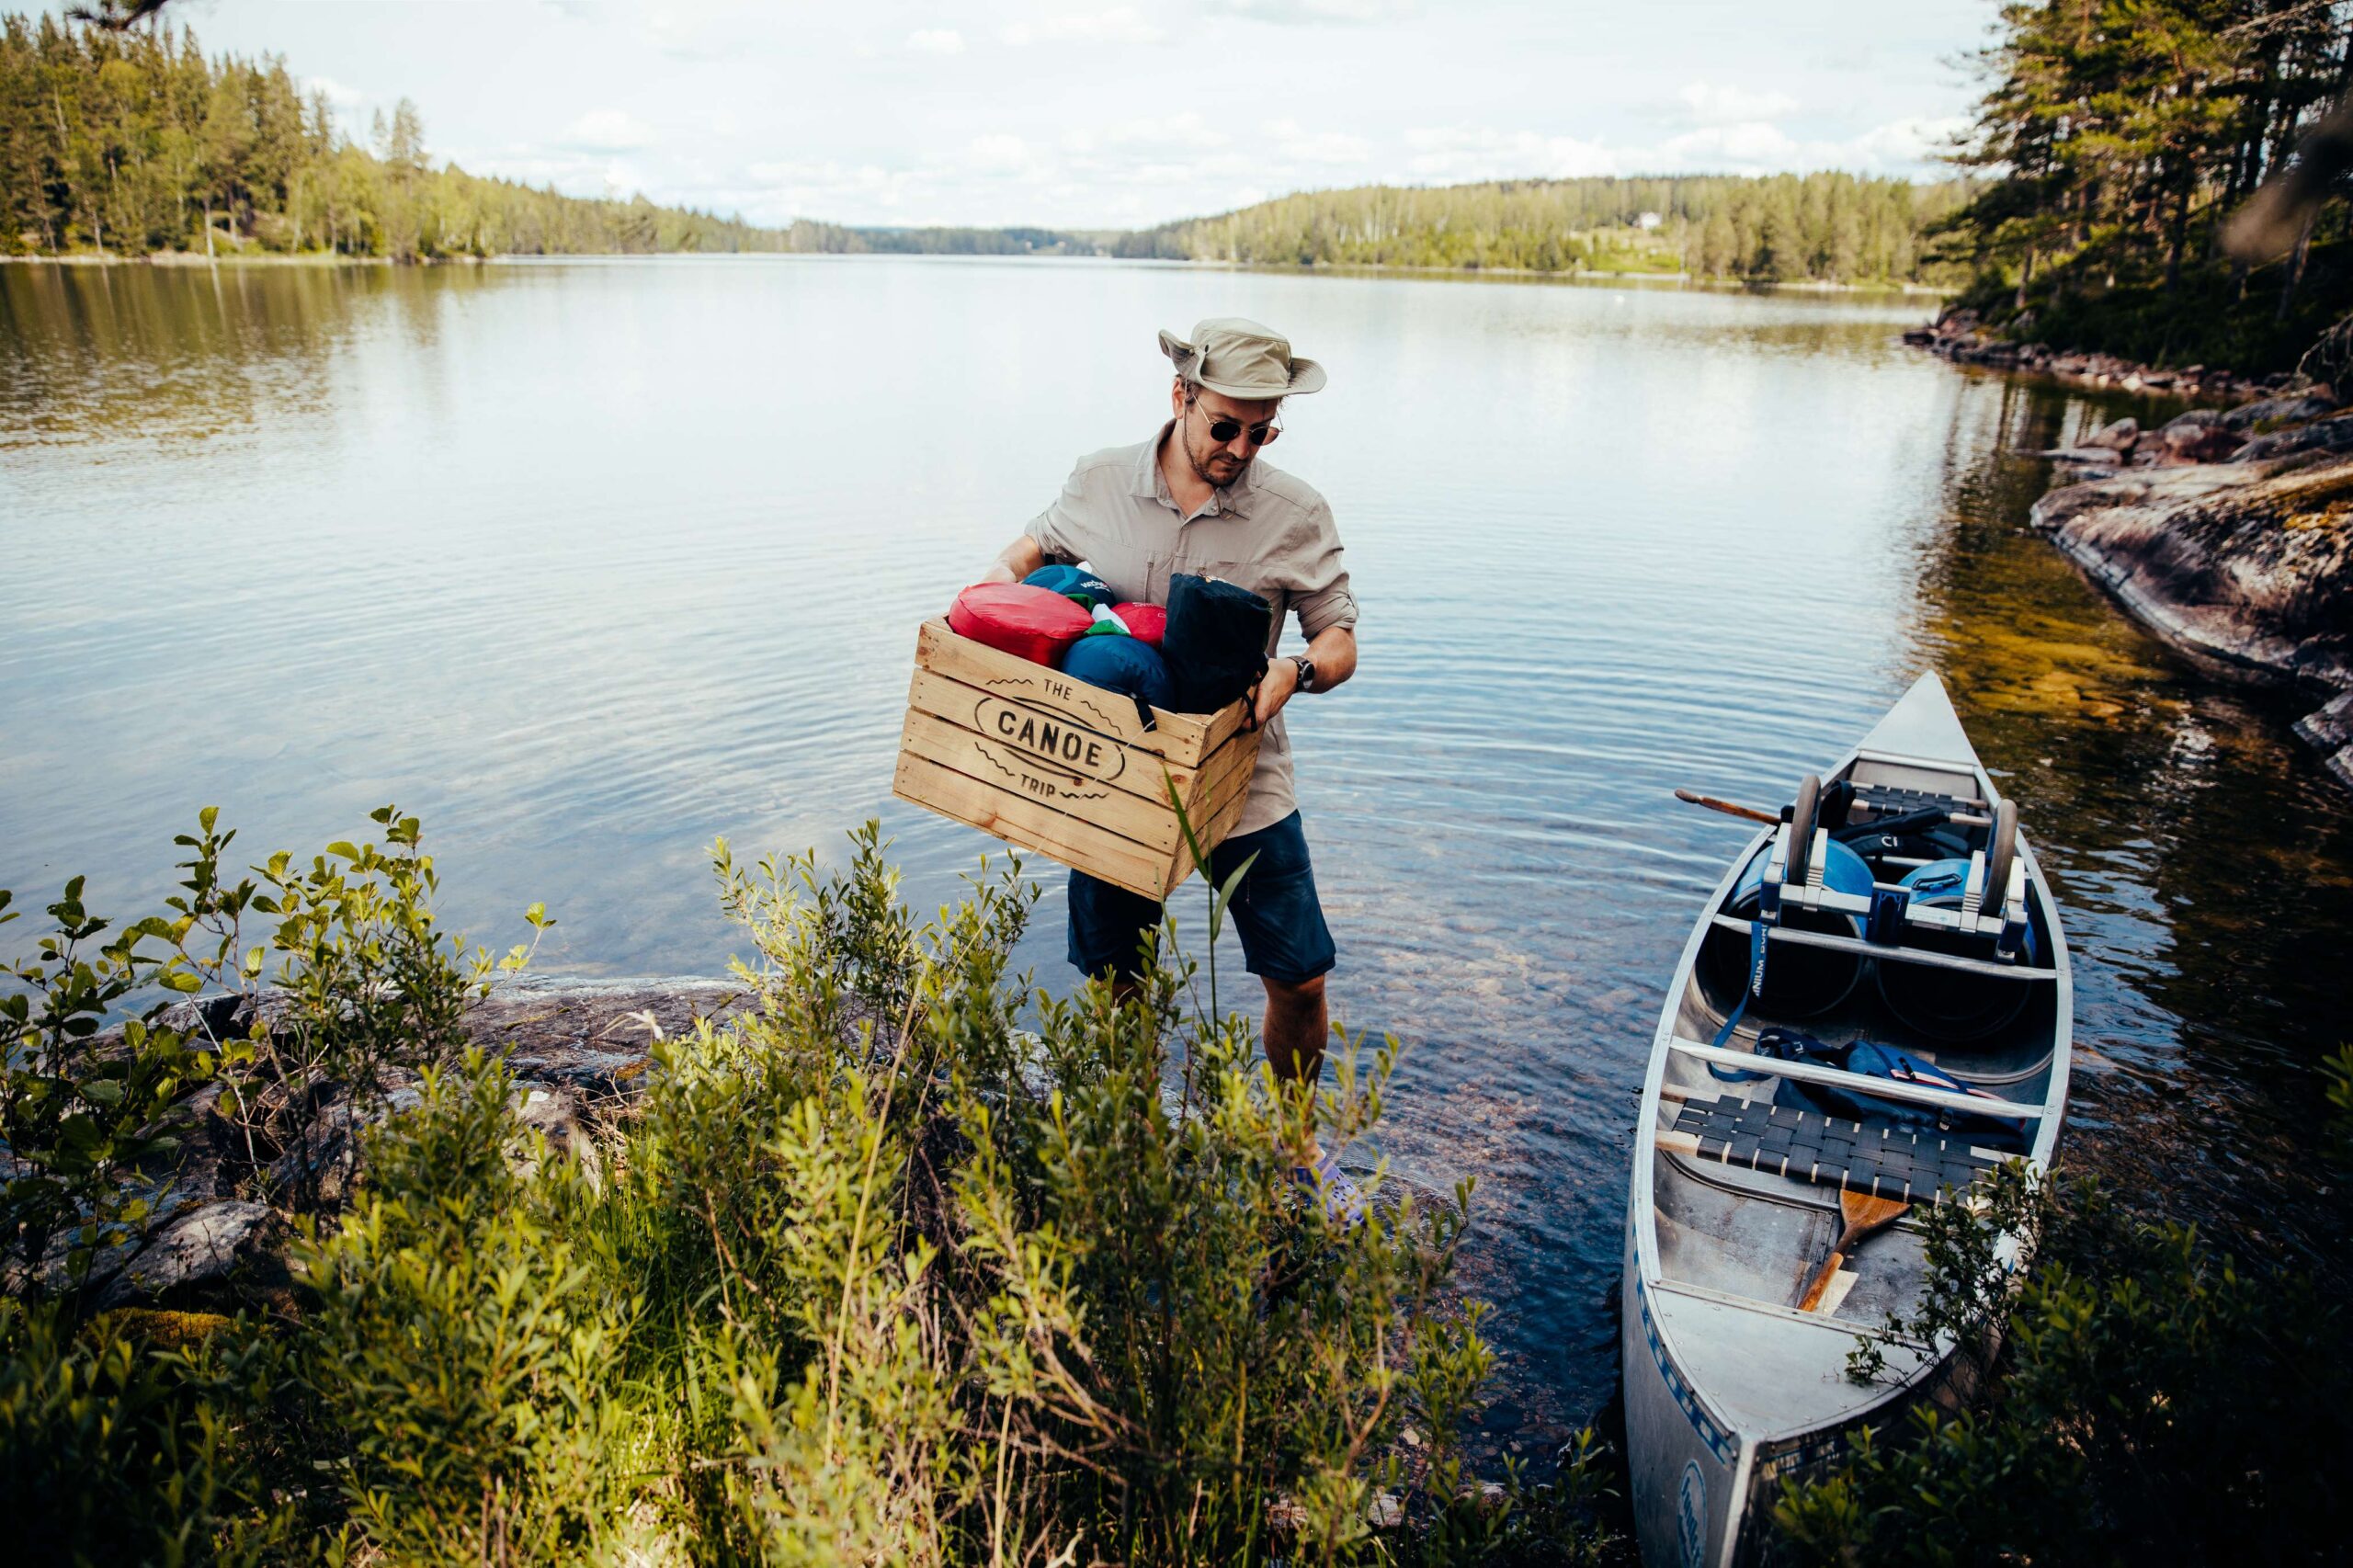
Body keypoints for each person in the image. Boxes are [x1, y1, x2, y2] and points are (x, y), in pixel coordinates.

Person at [980, 316, 1363, 1222]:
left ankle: (1297, 1148)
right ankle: (1140, 1137)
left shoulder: (1296, 512)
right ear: (1181, 396)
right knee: (1117, 971)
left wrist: (1299, 670)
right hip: (1113, 776)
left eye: (1261, 431)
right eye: (1225, 425)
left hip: (1241, 768)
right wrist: (989, 607)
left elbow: (1341, 635)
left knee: (1300, 972)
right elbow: (1026, 551)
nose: (1240, 447)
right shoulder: (1099, 479)